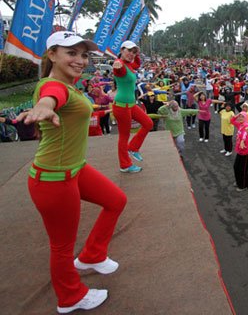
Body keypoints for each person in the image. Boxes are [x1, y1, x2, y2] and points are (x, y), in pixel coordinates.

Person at [18, 31, 127, 313]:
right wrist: (44, 106)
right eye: (71, 53)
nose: (80, 60)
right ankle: (70, 297)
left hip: (75, 169)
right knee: (62, 247)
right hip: (54, 180)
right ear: (52, 54)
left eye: (84, 54)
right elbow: (49, 97)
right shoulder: (53, 86)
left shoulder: (70, 85)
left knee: (116, 201)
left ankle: (92, 255)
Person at [112, 41, 153, 173]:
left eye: (134, 52)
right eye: (129, 51)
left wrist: (137, 55)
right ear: (122, 50)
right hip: (121, 106)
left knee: (148, 123)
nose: (131, 54)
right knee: (124, 136)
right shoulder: (121, 66)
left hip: (131, 105)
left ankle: (133, 148)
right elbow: (118, 69)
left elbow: (137, 64)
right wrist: (117, 64)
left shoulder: (130, 65)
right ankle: (125, 165)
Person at [231, 112, 248, 191]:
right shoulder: (240, 125)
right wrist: (237, 115)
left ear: (246, 118)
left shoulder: (247, 126)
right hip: (240, 150)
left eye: (242, 117)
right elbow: (232, 121)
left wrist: (243, 141)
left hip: (245, 152)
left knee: (243, 170)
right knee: (236, 167)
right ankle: (238, 181)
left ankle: (243, 185)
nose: (240, 118)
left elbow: (246, 135)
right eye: (239, 117)